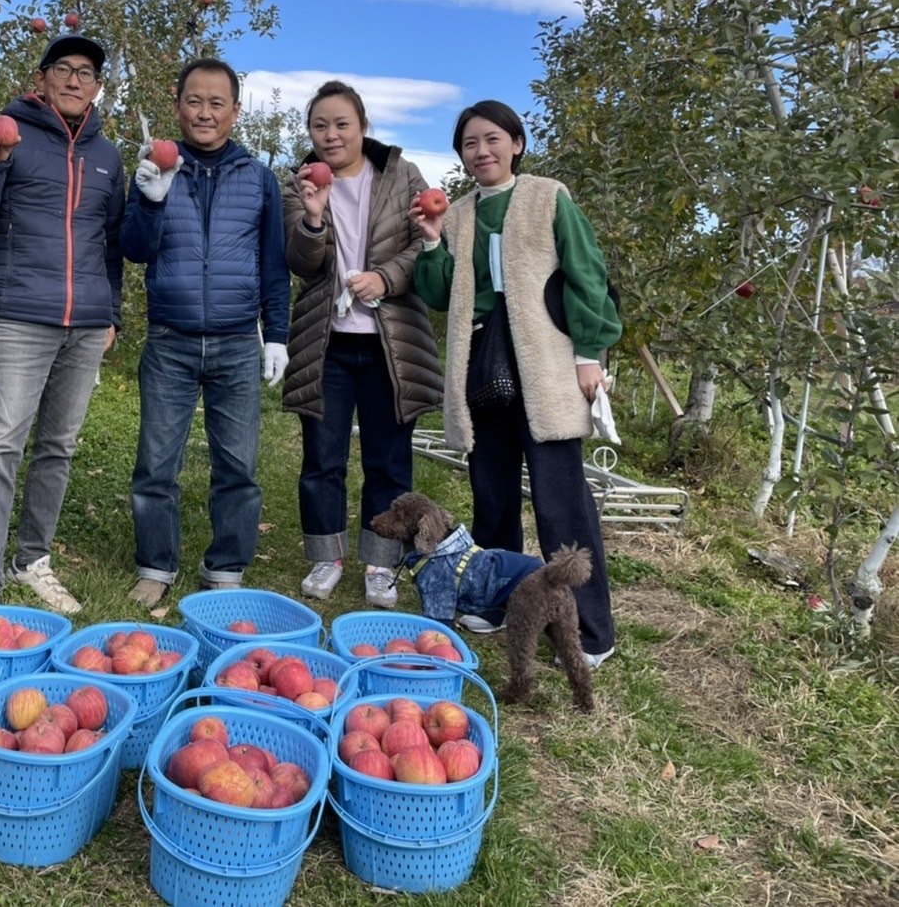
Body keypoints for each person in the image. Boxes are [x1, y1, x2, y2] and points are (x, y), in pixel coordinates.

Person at [410, 99, 620, 666]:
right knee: (493, 490)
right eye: (470, 144)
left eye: (492, 139)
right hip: (483, 362)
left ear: (517, 144)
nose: (481, 151)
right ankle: (502, 598)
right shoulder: (455, 215)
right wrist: (431, 239)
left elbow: (586, 273)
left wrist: (588, 352)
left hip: (545, 360)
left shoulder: (548, 197)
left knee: (562, 501)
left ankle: (591, 630)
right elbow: (436, 292)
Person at [0, 35, 125, 614]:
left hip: (87, 321)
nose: (76, 80)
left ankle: (32, 561)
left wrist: (112, 314)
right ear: (43, 76)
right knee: (2, 443)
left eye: (87, 73)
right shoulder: (10, 133)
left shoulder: (109, 155)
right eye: (65, 69)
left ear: (99, 87)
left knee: (59, 446)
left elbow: (112, 243)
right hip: (24, 313)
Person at [122, 58, 292, 606]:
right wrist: (149, 201)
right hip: (170, 338)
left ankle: (226, 567)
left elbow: (273, 264)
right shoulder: (156, 165)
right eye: (194, 101)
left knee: (239, 464)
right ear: (178, 107)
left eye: (216, 103)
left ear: (235, 112)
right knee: (156, 461)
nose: (204, 112)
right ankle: (155, 564)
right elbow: (134, 248)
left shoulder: (259, 179)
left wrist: (278, 334)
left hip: (238, 340)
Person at [282, 80, 444, 608]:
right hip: (325, 343)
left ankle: (381, 562)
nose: (329, 135)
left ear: (363, 126)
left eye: (340, 124)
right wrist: (311, 216)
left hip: (390, 345)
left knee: (389, 461)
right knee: (322, 458)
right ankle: (326, 557)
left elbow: (427, 242)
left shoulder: (401, 175)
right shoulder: (302, 180)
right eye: (319, 125)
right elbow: (301, 263)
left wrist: (386, 278)